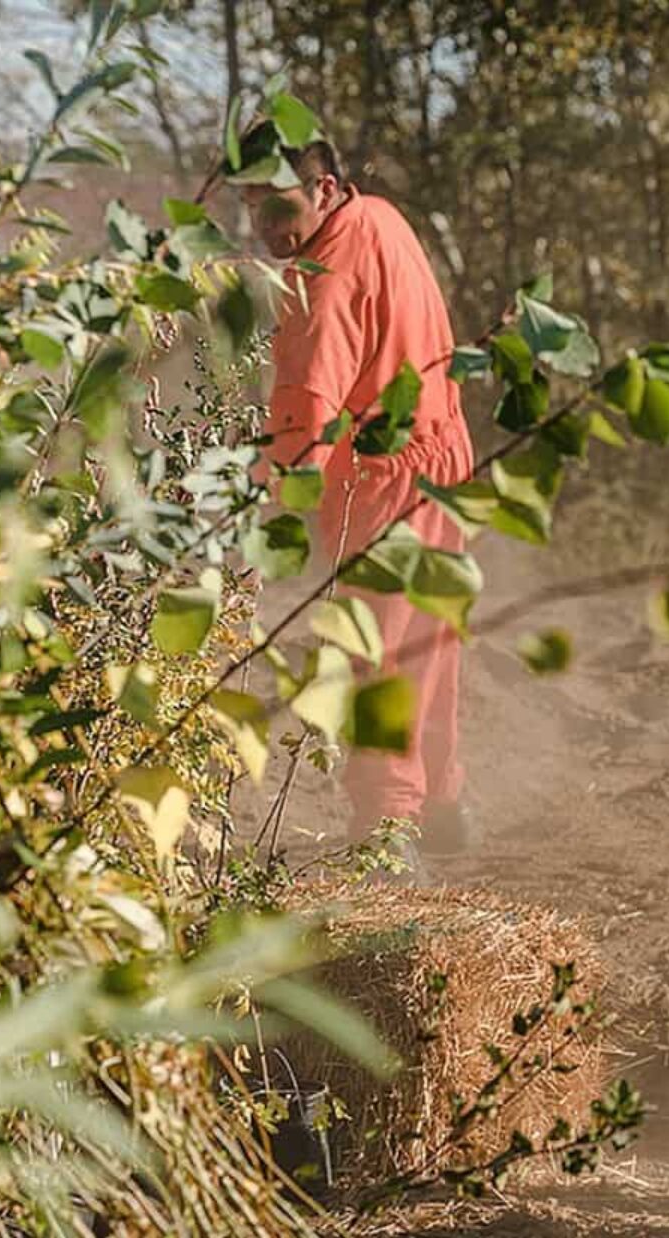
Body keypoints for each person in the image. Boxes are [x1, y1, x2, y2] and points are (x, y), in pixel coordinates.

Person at [235, 127, 474, 865]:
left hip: (382, 485)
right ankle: (444, 810)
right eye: (252, 210)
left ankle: (386, 838)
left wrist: (248, 501)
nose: (268, 230)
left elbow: (306, 409)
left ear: (325, 190)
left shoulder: (320, 278)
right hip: (444, 462)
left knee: (377, 665)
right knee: (431, 653)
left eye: (279, 208)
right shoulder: (383, 220)